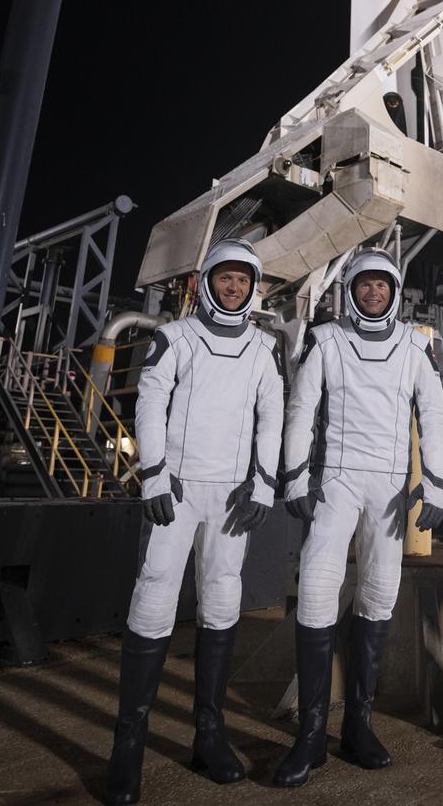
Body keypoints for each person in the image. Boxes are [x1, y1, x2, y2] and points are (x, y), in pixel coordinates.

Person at [105, 238, 284, 806]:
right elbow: (150, 401)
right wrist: (153, 474)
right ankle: (126, 751)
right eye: (224, 278)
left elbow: (272, 418)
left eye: (242, 281)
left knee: (223, 602)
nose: (233, 288)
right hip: (177, 491)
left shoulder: (263, 349)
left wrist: (264, 482)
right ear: (205, 282)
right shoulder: (174, 337)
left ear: (254, 289)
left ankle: (209, 735)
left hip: (232, 496)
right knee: (153, 600)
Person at [273, 247, 443, 788]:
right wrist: (296, 476)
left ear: (395, 293)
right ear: (351, 290)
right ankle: (310, 735)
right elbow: (301, 409)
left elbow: (435, 417)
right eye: (365, 285)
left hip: (392, 488)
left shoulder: (415, 349)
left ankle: (358, 726)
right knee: (320, 588)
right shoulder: (327, 340)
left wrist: (435, 484)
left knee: (378, 595)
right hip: (338, 479)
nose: (374, 292)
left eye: (383, 285)